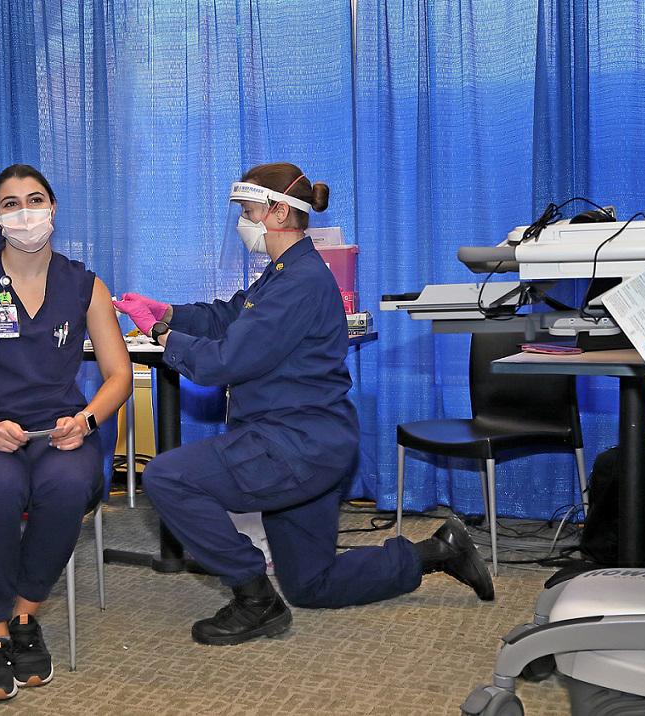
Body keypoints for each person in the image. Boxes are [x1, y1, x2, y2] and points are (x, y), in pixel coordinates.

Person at [114, 162, 492, 647]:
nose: (242, 224)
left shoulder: (299, 282)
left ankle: (255, 599)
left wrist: (163, 336)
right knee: (313, 584)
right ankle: (438, 552)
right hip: (318, 444)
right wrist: (169, 311)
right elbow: (231, 315)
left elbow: (222, 362)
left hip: (290, 446)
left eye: (247, 211)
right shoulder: (288, 272)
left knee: (168, 477)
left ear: (275, 213)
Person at [0, 164, 132, 701]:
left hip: (61, 432)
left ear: (54, 208)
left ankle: (25, 618)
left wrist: (87, 420)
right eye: (12, 203)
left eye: (36, 199)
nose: (26, 212)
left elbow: (119, 375)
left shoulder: (85, 285)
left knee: (68, 485)